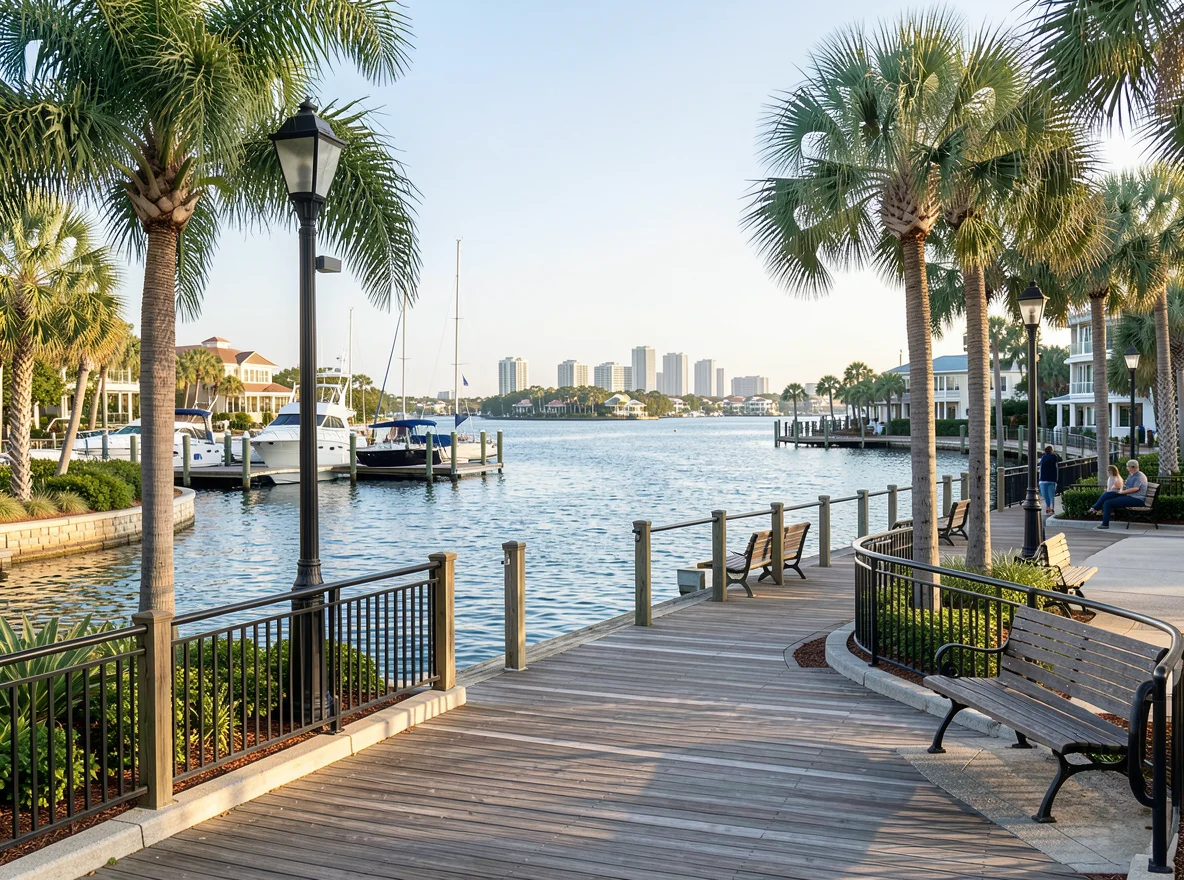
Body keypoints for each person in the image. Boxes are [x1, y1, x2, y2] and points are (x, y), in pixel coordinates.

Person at [1089, 459, 1148, 529]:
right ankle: (1095, 507)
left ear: (1132, 467)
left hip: (1137, 499)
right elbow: (1126, 486)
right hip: (1129, 496)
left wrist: (1122, 492)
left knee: (1108, 503)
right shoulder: (1132, 475)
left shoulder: (1140, 476)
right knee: (1108, 494)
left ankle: (1104, 523)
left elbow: (1136, 488)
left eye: (1128, 467)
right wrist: (1118, 488)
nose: (1127, 469)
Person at [1038, 445, 1059, 515]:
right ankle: (1052, 508)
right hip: (1052, 479)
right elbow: (1056, 468)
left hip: (1043, 479)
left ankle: (1048, 507)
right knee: (1052, 494)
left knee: (1045, 495)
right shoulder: (1054, 457)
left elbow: (1040, 465)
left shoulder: (1043, 457)